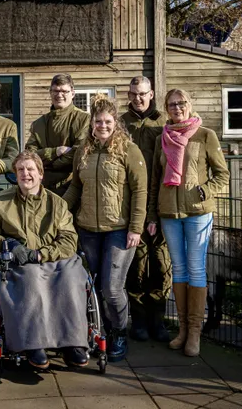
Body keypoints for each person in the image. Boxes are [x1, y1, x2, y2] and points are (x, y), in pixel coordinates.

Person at [0, 151, 89, 370]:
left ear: (41, 174)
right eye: (20, 170)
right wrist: (6, 244)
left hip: (54, 259)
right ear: (15, 175)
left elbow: (69, 240)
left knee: (72, 277)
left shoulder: (57, 204)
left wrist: (40, 255)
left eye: (30, 169)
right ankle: (33, 343)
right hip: (19, 262)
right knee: (31, 277)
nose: (25, 174)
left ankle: (72, 343)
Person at [63, 96, 147, 363]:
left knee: (112, 288)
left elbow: (140, 191)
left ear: (116, 123)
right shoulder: (84, 151)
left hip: (119, 230)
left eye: (108, 121)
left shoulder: (128, 150)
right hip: (87, 229)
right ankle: (99, 332)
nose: (102, 126)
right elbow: (76, 186)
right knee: (92, 286)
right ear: (91, 124)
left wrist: (136, 227)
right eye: (98, 121)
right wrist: (59, 213)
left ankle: (120, 332)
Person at [148, 89, 229, 357]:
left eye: (181, 103)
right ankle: (182, 329)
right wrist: (152, 212)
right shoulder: (163, 138)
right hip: (169, 212)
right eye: (171, 104)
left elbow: (222, 175)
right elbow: (155, 180)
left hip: (198, 212)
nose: (177, 107)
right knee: (179, 270)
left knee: (196, 269)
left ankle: (195, 332)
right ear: (166, 108)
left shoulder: (206, 135)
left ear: (189, 105)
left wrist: (204, 190)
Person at [121, 76, 172, 343]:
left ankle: (158, 320)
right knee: (137, 264)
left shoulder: (164, 123)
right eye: (133, 94)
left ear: (151, 94)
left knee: (161, 263)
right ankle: (139, 320)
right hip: (131, 204)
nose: (138, 99)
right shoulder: (121, 123)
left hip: (161, 201)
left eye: (142, 94)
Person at [25, 74, 90, 195]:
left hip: (72, 186)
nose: (59, 95)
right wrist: (55, 152)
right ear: (50, 92)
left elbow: (79, 152)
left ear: (73, 93)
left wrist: (50, 164)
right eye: (55, 91)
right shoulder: (39, 124)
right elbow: (29, 155)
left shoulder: (84, 119)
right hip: (43, 187)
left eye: (64, 91)